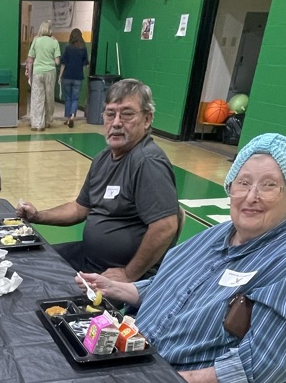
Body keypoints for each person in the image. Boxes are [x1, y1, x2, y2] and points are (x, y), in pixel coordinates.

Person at [79, 133, 286, 383]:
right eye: (243, 182)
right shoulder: (218, 235)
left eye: (268, 185)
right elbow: (172, 289)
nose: (251, 196)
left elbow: (260, 368)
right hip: (149, 361)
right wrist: (120, 289)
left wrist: (169, 380)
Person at [17, 78, 179, 279]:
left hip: (117, 273)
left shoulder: (147, 162)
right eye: (110, 114)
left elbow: (165, 226)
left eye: (127, 114)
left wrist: (129, 274)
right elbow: (79, 208)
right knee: (21, 263)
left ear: (147, 119)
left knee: (33, 286)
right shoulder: (104, 157)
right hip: (88, 258)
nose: (117, 122)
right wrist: (37, 216)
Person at [25, 21, 61, 131]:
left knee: (37, 98)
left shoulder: (36, 41)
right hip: (50, 71)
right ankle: (48, 120)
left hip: (37, 71)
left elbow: (30, 60)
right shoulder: (54, 42)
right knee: (49, 97)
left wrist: (29, 74)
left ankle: (37, 124)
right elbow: (57, 61)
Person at [58, 28, 88, 128]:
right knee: (75, 98)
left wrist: (60, 75)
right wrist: (81, 73)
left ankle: (67, 119)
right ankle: (72, 117)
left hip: (67, 76)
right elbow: (85, 65)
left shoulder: (68, 48)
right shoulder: (83, 48)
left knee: (68, 98)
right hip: (78, 77)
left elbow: (63, 63)